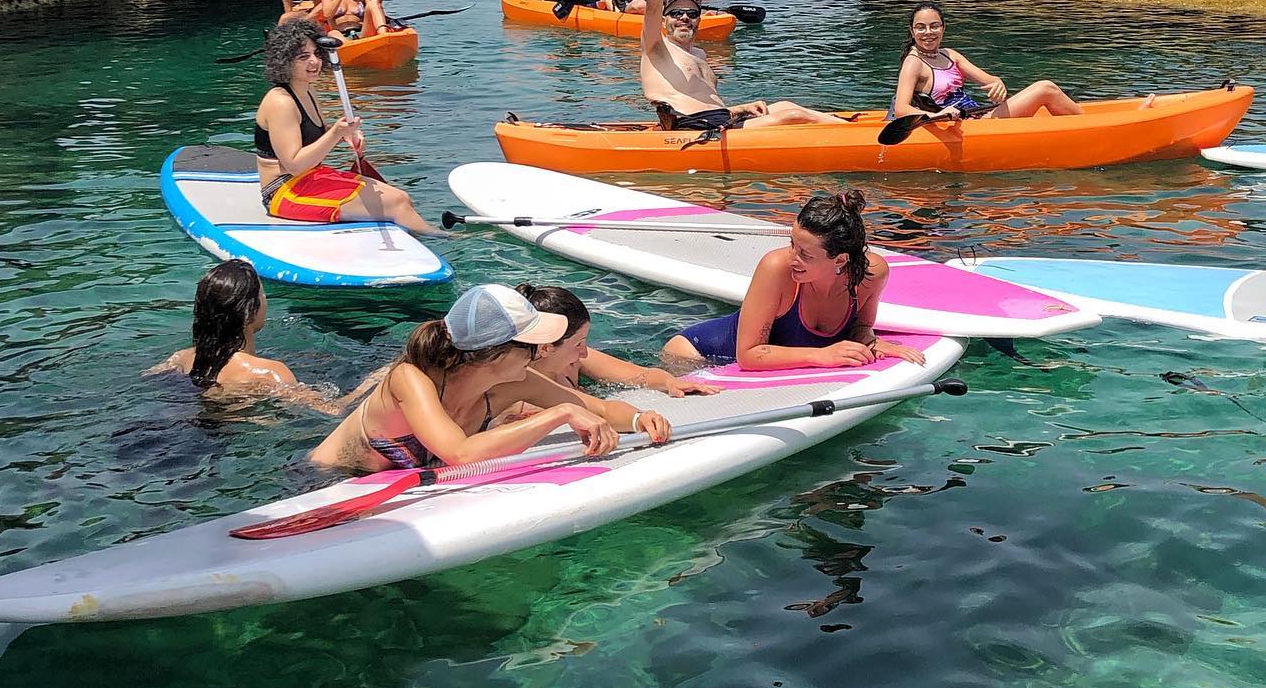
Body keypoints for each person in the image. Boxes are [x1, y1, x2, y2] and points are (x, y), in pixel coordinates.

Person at [310, 283, 672, 471]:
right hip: (326, 483)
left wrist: (641, 420)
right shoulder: (412, 379)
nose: (540, 353)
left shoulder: (513, 381)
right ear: (494, 352)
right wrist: (559, 415)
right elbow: (459, 453)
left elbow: (600, 410)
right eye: (532, 345)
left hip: (404, 487)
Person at [662, 191, 925, 370]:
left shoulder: (871, 274)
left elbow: (860, 328)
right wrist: (821, 355)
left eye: (805, 254)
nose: (792, 257)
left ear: (841, 260)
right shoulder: (776, 268)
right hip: (695, 357)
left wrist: (873, 343)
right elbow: (749, 355)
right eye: (792, 244)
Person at [641, 0, 844, 129]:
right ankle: (860, 137)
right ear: (665, 20)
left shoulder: (699, 54)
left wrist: (741, 108)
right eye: (676, 13)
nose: (684, 17)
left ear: (698, 20)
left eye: (691, 14)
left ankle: (850, 127)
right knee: (792, 116)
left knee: (785, 105)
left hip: (718, 120)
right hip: (691, 128)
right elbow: (653, 7)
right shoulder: (657, 48)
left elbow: (705, 104)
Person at [254, 17, 431, 232]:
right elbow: (295, 164)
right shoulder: (281, 102)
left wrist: (343, 134)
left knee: (403, 197)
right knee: (397, 203)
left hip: (310, 178)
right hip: (283, 192)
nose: (314, 61)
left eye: (317, 54)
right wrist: (336, 132)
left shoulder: (307, 89)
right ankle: (441, 240)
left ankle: (428, 238)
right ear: (284, 61)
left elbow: (310, 139)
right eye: (303, 57)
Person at [148, 260, 336, 402]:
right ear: (249, 312)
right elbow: (332, 412)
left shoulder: (180, 359)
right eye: (262, 294)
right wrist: (364, 388)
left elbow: (148, 379)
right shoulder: (270, 373)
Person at [514, 284, 720, 398]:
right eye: (578, 344)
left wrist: (670, 382)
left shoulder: (573, 361)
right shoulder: (514, 382)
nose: (585, 353)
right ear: (546, 348)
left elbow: (641, 375)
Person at [893, 2, 1083, 122]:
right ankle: (1089, 128)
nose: (928, 32)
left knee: (1047, 89)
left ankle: (1087, 126)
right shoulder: (913, 63)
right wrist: (937, 116)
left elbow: (990, 81)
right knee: (1046, 89)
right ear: (912, 31)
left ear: (943, 28)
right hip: (966, 124)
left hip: (979, 114)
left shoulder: (949, 54)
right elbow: (902, 109)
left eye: (934, 26)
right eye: (921, 27)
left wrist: (998, 83)